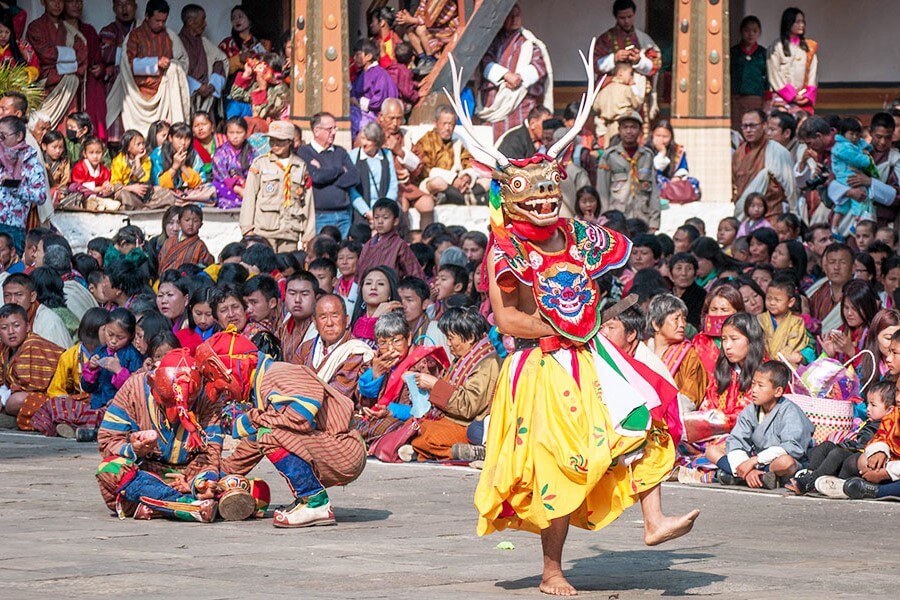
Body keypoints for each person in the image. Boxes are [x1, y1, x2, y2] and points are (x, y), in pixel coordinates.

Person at [447, 52, 697, 596]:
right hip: (543, 365)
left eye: (549, 196)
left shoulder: (576, 234)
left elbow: (614, 260)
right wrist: (556, 331)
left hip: (589, 354)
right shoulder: (505, 250)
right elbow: (510, 317)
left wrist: (592, 324)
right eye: (532, 198)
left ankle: (653, 520)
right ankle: (551, 569)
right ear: (511, 204)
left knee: (644, 414)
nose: (543, 205)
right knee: (559, 466)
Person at [200, 331, 367, 528]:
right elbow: (251, 447)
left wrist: (252, 419)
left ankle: (315, 502)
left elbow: (302, 415)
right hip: (331, 446)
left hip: (343, 448)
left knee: (268, 435)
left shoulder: (277, 373)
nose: (218, 388)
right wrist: (209, 478)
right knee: (266, 433)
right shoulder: (264, 385)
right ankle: (307, 500)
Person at [95, 348, 221, 522]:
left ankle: (159, 506)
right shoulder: (134, 388)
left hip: (188, 476)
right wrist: (133, 450)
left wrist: (197, 482)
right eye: (166, 402)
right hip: (145, 476)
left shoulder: (206, 396)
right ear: (151, 381)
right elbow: (107, 440)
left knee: (246, 487)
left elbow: (211, 453)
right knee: (109, 468)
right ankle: (183, 505)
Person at [403, 307, 500, 461]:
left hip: (468, 424)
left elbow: (468, 406)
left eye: (451, 338)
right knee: (413, 426)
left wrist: (435, 385)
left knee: (429, 435)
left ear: (469, 337)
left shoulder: (487, 362)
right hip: (452, 419)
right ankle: (425, 450)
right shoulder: (464, 356)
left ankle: (453, 452)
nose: (448, 343)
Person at [707, 361, 813, 489]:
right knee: (711, 450)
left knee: (786, 462)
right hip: (754, 464)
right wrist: (748, 469)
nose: (754, 390)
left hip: (772, 463)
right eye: (753, 384)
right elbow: (736, 441)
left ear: (778, 391)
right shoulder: (750, 411)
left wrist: (754, 461)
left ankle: (736, 476)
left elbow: (792, 447)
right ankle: (752, 477)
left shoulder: (790, 411)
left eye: (760, 386)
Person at [790, 380, 893, 496]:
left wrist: (849, 445)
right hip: (852, 448)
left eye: (873, 405)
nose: (868, 409)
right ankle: (811, 473)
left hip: (862, 453)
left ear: (889, 410)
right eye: (868, 404)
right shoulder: (870, 422)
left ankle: (810, 482)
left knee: (838, 453)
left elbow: (866, 443)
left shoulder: (884, 425)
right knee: (826, 446)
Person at [108, 0, 190, 138]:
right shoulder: (134, 36)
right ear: (147, 16)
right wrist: (155, 63)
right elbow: (128, 65)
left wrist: (172, 66)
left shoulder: (170, 36)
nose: (161, 24)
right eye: (157, 20)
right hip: (137, 97)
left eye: (164, 21)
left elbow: (183, 61)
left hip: (164, 96)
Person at [30, 307, 109, 438]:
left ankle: (70, 426)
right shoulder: (69, 355)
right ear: (92, 331)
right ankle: (73, 426)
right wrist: (66, 400)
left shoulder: (113, 353)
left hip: (101, 402)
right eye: (107, 331)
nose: (110, 336)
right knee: (37, 402)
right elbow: (55, 389)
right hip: (77, 403)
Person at [478, 3, 552, 140]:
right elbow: (485, 61)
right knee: (495, 142)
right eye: (509, 16)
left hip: (521, 101)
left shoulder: (529, 41)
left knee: (520, 140)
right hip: (497, 104)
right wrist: (505, 75)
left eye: (516, 15)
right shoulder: (493, 41)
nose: (514, 19)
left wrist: (520, 77)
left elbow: (539, 65)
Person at [241, 120, 315, 251]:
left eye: (280, 140)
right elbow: (249, 197)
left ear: (290, 141)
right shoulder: (260, 164)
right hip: (264, 231)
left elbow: (307, 202)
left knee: (286, 268)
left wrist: (308, 236)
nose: (275, 144)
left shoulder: (300, 166)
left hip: (290, 232)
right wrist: (247, 228)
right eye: (272, 140)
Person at [294, 293, 374, 402]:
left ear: (346, 320)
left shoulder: (355, 351)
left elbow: (338, 392)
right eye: (323, 317)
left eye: (335, 316)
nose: (329, 323)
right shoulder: (305, 348)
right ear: (315, 323)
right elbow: (291, 379)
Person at [593, 0, 661, 125]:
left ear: (634, 15)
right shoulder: (605, 39)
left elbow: (655, 65)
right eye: (622, 17)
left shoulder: (643, 39)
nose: (627, 21)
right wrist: (614, 57)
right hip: (612, 98)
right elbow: (595, 65)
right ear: (616, 17)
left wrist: (639, 61)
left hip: (637, 96)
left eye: (630, 17)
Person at [79, 307, 142, 440]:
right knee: (60, 404)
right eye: (110, 334)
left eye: (120, 337)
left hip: (118, 409)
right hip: (96, 405)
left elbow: (136, 390)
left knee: (106, 419)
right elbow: (87, 387)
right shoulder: (100, 351)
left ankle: (94, 431)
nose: (113, 341)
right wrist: (91, 369)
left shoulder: (133, 356)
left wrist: (119, 371)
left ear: (130, 336)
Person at [0, 303, 64, 431]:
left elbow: (34, 386)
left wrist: (4, 398)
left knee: (16, 400)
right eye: (4, 327)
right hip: (25, 395)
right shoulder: (5, 349)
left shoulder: (32, 344)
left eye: (16, 326)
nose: (11, 332)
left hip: (58, 395)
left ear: (28, 326)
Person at [26, 0, 88, 130]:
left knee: (68, 127)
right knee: (43, 129)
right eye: (53, 0)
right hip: (46, 86)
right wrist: (70, 64)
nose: (57, 4)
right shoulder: (35, 27)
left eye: (61, 0)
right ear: (43, 2)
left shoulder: (69, 29)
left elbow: (82, 54)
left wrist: (60, 63)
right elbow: (44, 54)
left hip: (68, 87)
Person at [297, 112, 360, 239]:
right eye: (329, 129)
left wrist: (325, 173)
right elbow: (315, 177)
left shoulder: (340, 152)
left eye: (335, 128)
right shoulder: (304, 152)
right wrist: (340, 170)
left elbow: (354, 177)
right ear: (316, 131)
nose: (334, 132)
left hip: (344, 215)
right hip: (320, 216)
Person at [378, 98, 435, 229]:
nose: (395, 123)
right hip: (387, 188)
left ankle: (427, 243)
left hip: (407, 186)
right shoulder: (373, 135)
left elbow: (419, 165)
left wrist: (400, 152)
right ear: (381, 117)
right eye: (391, 118)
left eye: (399, 119)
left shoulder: (406, 137)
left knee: (427, 202)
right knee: (401, 206)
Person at [597, 110, 659, 229]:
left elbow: (654, 191)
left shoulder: (647, 156)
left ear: (640, 131)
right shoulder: (609, 156)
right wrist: (604, 221)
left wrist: (654, 222)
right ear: (619, 130)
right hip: (617, 220)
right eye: (625, 127)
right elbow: (602, 191)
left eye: (633, 127)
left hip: (642, 218)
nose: (629, 131)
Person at [732, 109, 797, 219]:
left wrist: (793, 212)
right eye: (745, 126)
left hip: (771, 214)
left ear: (764, 125)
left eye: (753, 126)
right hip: (744, 214)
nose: (748, 130)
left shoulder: (777, 151)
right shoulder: (738, 153)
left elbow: (791, 188)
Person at [647, 294, 708, 410]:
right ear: (656, 324)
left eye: (683, 319)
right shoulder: (641, 351)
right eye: (676, 319)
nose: (682, 324)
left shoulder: (688, 355)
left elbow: (690, 400)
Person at [0, 116, 49, 255]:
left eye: (3, 136)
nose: (0, 141)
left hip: (13, 228)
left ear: (19, 136)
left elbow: (40, 196)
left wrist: (15, 187)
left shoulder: (31, 162)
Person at [412, 105, 480, 205]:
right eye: (444, 124)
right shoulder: (425, 142)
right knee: (438, 183)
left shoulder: (457, 143)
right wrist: (452, 179)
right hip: (432, 185)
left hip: (458, 184)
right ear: (436, 123)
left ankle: (459, 197)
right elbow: (425, 171)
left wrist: (467, 177)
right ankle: (466, 199)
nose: (448, 128)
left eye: (451, 124)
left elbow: (470, 162)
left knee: (487, 182)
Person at [61, 0, 107, 140]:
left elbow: (98, 59)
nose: (77, 5)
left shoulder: (89, 30)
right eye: (72, 1)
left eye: (79, 1)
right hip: (66, 80)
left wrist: (100, 68)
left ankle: (95, 147)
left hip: (88, 81)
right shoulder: (58, 29)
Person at [218, 5, 272, 118]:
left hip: (257, 89)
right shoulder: (227, 44)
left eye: (240, 16)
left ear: (250, 20)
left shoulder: (263, 44)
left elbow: (271, 66)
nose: (236, 20)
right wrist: (238, 59)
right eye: (233, 18)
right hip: (234, 91)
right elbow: (219, 66)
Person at [356, 199, 426, 282]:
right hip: (366, 292)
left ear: (395, 221)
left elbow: (414, 272)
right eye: (376, 217)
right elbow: (358, 274)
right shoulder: (368, 245)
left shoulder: (399, 245)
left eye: (385, 218)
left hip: (391, 292)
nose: (380, 221)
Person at [149, 121, 216, 205]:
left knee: (210, 188)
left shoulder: (193, 153)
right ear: (170, 138)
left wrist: (183, 166)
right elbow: (158, 183)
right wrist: (174, 167)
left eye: (187, 139)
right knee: (158, 191)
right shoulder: (158, 154)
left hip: (189, 193)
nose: (183, 143)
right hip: (168, 194)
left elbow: (200, 182)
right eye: (179, 138)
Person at [99, 0, 138, 144]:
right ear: (114, 8)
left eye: (128, 4)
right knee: (114, 129)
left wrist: (122, 50)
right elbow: (105, 55)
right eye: (120, 5)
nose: (124, 9)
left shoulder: (141, 30)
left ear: (135, 7)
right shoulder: (108, 31)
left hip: (136, 85)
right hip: (114, 83)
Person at [767, 7, 818, 115]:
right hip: (782, 99)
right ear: (788, 23)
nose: (801, 25)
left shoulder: (809, 47)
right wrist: (791, 95)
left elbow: (813, 74)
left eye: (803, 22)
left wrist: (806, 95)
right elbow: (774, 74)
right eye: (797, 22)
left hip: (802, 99)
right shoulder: (777, 47)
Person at [3, 272, 72, 350]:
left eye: (19, 295)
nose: (13, 301)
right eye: (7, 295)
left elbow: (56, 358)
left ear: (32, 296)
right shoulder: (5, 319)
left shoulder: (48, 322)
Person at [178, 4, 226, 115]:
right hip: (186, 102)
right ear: (190, 21)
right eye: (203, 19)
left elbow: (221, 61)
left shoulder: (204, 43)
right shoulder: (176, 42)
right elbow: (177, 71)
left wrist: (213, 85)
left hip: (207, 102)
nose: (205, 24)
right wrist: (197, 87)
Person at [349, 122, 397, 224]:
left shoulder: (387, 155)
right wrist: (367, 212)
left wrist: (384, 210)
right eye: (362, 138)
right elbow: (351, 189)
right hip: (361, 211)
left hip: (384, 210)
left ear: (377, 142)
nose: (364, 143)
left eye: (368, 140)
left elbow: (393, 184)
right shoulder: (353, 156)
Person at [349, 38, 398, 140]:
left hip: (374, 117)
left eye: (358, 55)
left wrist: (357, 102)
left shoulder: (380, 74)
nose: (355, 58)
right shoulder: (361, 74)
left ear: (369, 56)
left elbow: (378, 101)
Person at [228, 52, 288, 132]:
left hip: (276, 129)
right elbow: (235, 95)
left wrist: (262, 89)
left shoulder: (281, 89)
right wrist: (246, 75)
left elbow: (261, 113)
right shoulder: (256, 85)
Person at [758, 275, 810, 366]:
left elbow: (794, 345)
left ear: (790, 302)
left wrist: (780, 357)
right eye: (769, 298)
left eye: (777, 300)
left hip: (786, 367)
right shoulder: (759, 319)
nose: (772, 303)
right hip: (762, 366)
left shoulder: (796, 322)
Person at [394, 0, 459, 73]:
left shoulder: (446, 3)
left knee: (420, 29)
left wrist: (411, 20)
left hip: (446, 28)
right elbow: (420, 13)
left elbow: (437, 20)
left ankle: (430, 58)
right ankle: (423, 57)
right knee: (409, 29)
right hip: (432, 26)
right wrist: (406, 18)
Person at [730, 16, 767, 131]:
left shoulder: (763, 53)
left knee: (754, 129)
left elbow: (767, 78)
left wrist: (767, 101)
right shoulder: (733, 52)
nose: (750, 34)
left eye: (754, 31)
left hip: (756, 98)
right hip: (736, 99)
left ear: (759, 33)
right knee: (737, 130)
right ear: (741, 31)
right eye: (747, 30)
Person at [648, 120, 701, 200]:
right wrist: (662, 152)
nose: (661, 139)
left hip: (672, 182)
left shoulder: (677, 150)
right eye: (658, 136)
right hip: (654, 182)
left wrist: (678, 177)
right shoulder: (645, 150)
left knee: (693, 182)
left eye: (665, 136)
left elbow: (683, 167)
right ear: (652, 135)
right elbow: (653, 170)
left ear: (671, 137)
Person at [807, 243, 854, 331]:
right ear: (826, 267)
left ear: (853, 267)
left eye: (843, 262)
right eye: (832, 262)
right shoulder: (817, 292)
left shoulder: (860, 296)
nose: (836, 267)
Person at [212, 116, 255, 209]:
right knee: (216, 186)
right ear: (226, 133)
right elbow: (221, 177)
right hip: (228, 187)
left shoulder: (251, 151)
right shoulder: (221, 153)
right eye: (231, 132)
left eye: (239, 132)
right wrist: (238, 189)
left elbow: (256, 173)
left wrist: (246, 187)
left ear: (246, 133)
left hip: (248, 187)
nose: (235, 136)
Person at [277, 271, 319, 364]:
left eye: (304, 294)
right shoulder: (287, 319)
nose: (297, 300)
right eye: (292, 293)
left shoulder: (319, 329)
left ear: (317, 298)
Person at [157, 204, 214, 272]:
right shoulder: (169, 242)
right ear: (180, 222)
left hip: (187, 281)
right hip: (165, 279)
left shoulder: (200, 246)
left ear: (201, 225)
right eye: (187, 220)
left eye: (195, 221)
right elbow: (160, 261)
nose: (191, 224)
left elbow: (206, 267)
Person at [0, 8, 38, 82]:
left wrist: (24, 74)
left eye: (7, 32)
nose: (3, 36)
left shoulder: (22, 46)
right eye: (0, 32)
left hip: (16, 89)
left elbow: (35, 67)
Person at [668, 252, 705, 329]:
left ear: (695, 273)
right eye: (679, 268)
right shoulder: (667, 294)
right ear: (670, 273)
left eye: (689, 269)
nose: (683, 273)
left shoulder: (701, 295)